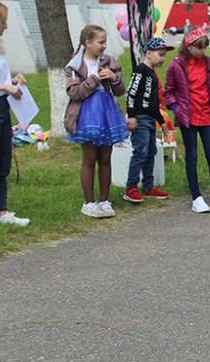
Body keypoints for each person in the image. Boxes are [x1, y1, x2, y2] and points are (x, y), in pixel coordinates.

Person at [64, 25, 127, 218]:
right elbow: (74, 92)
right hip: (86, 115)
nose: (103, 46)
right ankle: (89, 202)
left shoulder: (109, 61)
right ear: (87, 42)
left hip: (107, 114)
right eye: (100, 42)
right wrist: (95, 79)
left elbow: (120, 90)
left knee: (105, 158)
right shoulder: (74, 65)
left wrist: (114, 78)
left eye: (105, 42)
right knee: (89, 159)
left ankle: (105, 201)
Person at [165, 26, 210, 213]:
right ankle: (196, 197)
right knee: (191, 157)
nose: (203, 51)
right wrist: (177, 109)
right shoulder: (176, 66)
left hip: (208, 116)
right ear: (189, 46)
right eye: (200, 47)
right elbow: (168, 92)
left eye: (205, 47)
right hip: (188, 118)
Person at [0, 0, 30, 233]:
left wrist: (11, 82)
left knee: (2, 161)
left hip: (1, 108)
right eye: (3, 21)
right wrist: (5, 87)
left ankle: (1, 212)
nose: (6, 26)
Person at [123, 38, 174, 204]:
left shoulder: (152, 73)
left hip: (151, 119)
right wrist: (131, 115)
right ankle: (130, 188)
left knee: (151, 151)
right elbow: (131, 93)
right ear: (149, 53)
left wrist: (161, 120)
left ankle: (148, 186)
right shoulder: (141, 71)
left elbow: (153, 103)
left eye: (164, 55)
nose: (162, 58)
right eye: (160, 55)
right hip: (140, 118)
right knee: (140, 152)